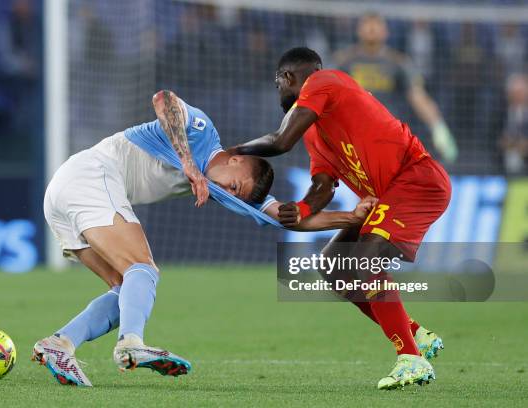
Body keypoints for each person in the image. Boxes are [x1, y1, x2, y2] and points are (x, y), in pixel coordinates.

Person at [33, 90, 375, 387]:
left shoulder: (219, 189)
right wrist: (189, 165)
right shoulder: (203, 133)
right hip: (91, 174)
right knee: (144, 269)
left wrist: (351, 217)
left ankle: (60, 344)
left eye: (237, 195)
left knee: (128, 287)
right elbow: (163, 99)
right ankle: (132, 343)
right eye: (235, 185)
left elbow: (288, 219)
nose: (229, 192)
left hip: (63, 197)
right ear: (237, 159)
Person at [230, 47, 451, 390]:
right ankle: (415, 334)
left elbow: (279, 141)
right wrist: (303, 209)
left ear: (288, 78)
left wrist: (231, 153)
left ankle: (411, 359)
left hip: (417, 179)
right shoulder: (314, 132)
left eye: (278, 85)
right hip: (388, 194)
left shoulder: (324, 80)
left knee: (366, 256)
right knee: (333, 265)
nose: (279, 93)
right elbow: (322, 185)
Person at [334, 13, 457, 163]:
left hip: (388, 136)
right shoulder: (344, 62)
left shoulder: (398, 62)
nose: (372, 29)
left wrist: (438, 127)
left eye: (376, 25)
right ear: (358, 30)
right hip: (352, 137)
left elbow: (418, 97)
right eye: (367, 24)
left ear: (386, 32)